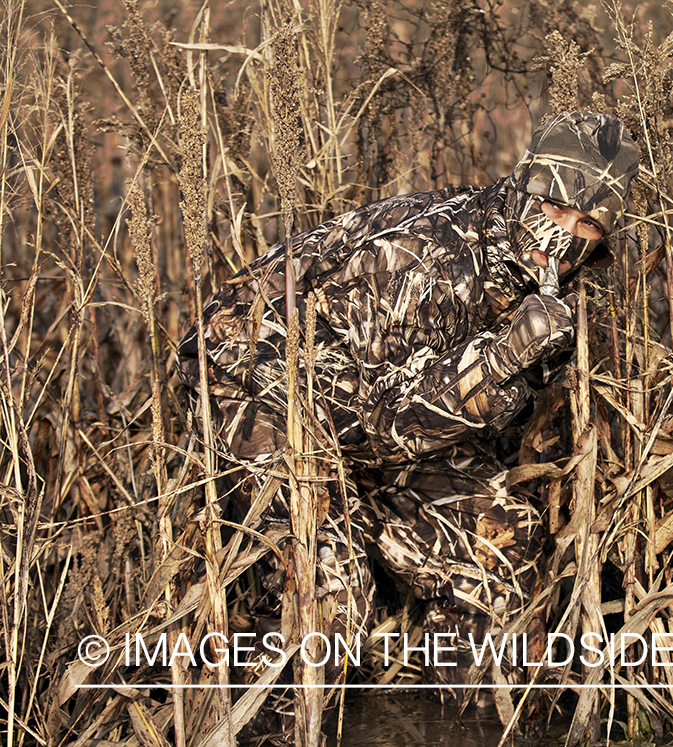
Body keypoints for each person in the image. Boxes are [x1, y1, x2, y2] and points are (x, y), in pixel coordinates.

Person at [176, 110, 640, 699]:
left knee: (500, 549)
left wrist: (520, 371)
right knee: (329, 595)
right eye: (554, 208)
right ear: (527, 185)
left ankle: (455, 727)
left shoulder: (543, 278)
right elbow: (381, 424)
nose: (564, 235)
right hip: (257, 379)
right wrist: (498, 361)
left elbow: (477, 417)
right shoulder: (428, 259)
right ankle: (264, 727)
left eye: (587, 225)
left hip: (379, 410)